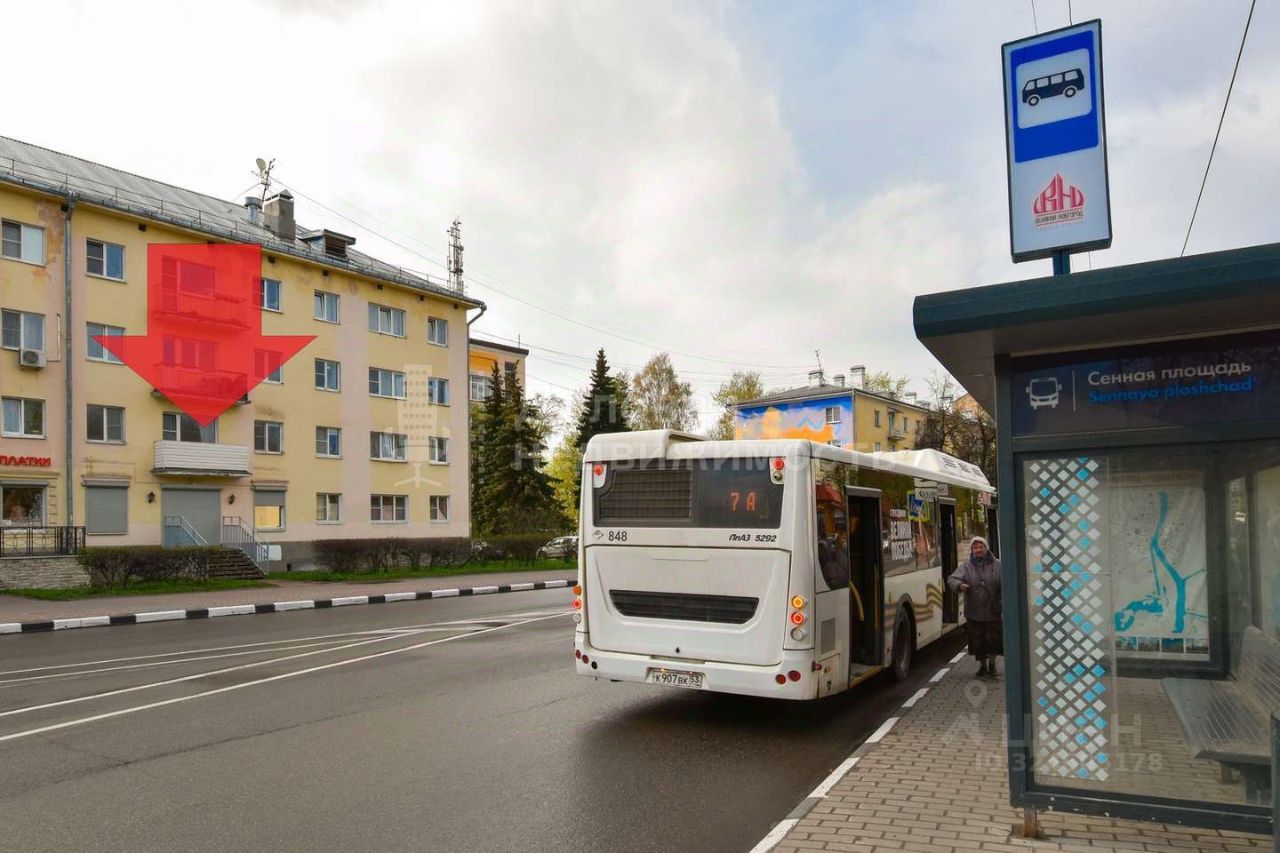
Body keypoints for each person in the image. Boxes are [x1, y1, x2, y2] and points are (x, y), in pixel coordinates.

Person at [948, 536, 1002, 677]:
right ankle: (982, 666)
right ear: (972, 550)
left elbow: (1006, 582)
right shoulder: (966, 567)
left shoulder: (998, 565)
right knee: (978, 642)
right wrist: (959, 585)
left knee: (993, 641)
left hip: (993, 610)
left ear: (986, 548)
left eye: (981, 547)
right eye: (975, 548)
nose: (978, 550)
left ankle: (992, 665)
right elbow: (952, 579)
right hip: (974, 611)